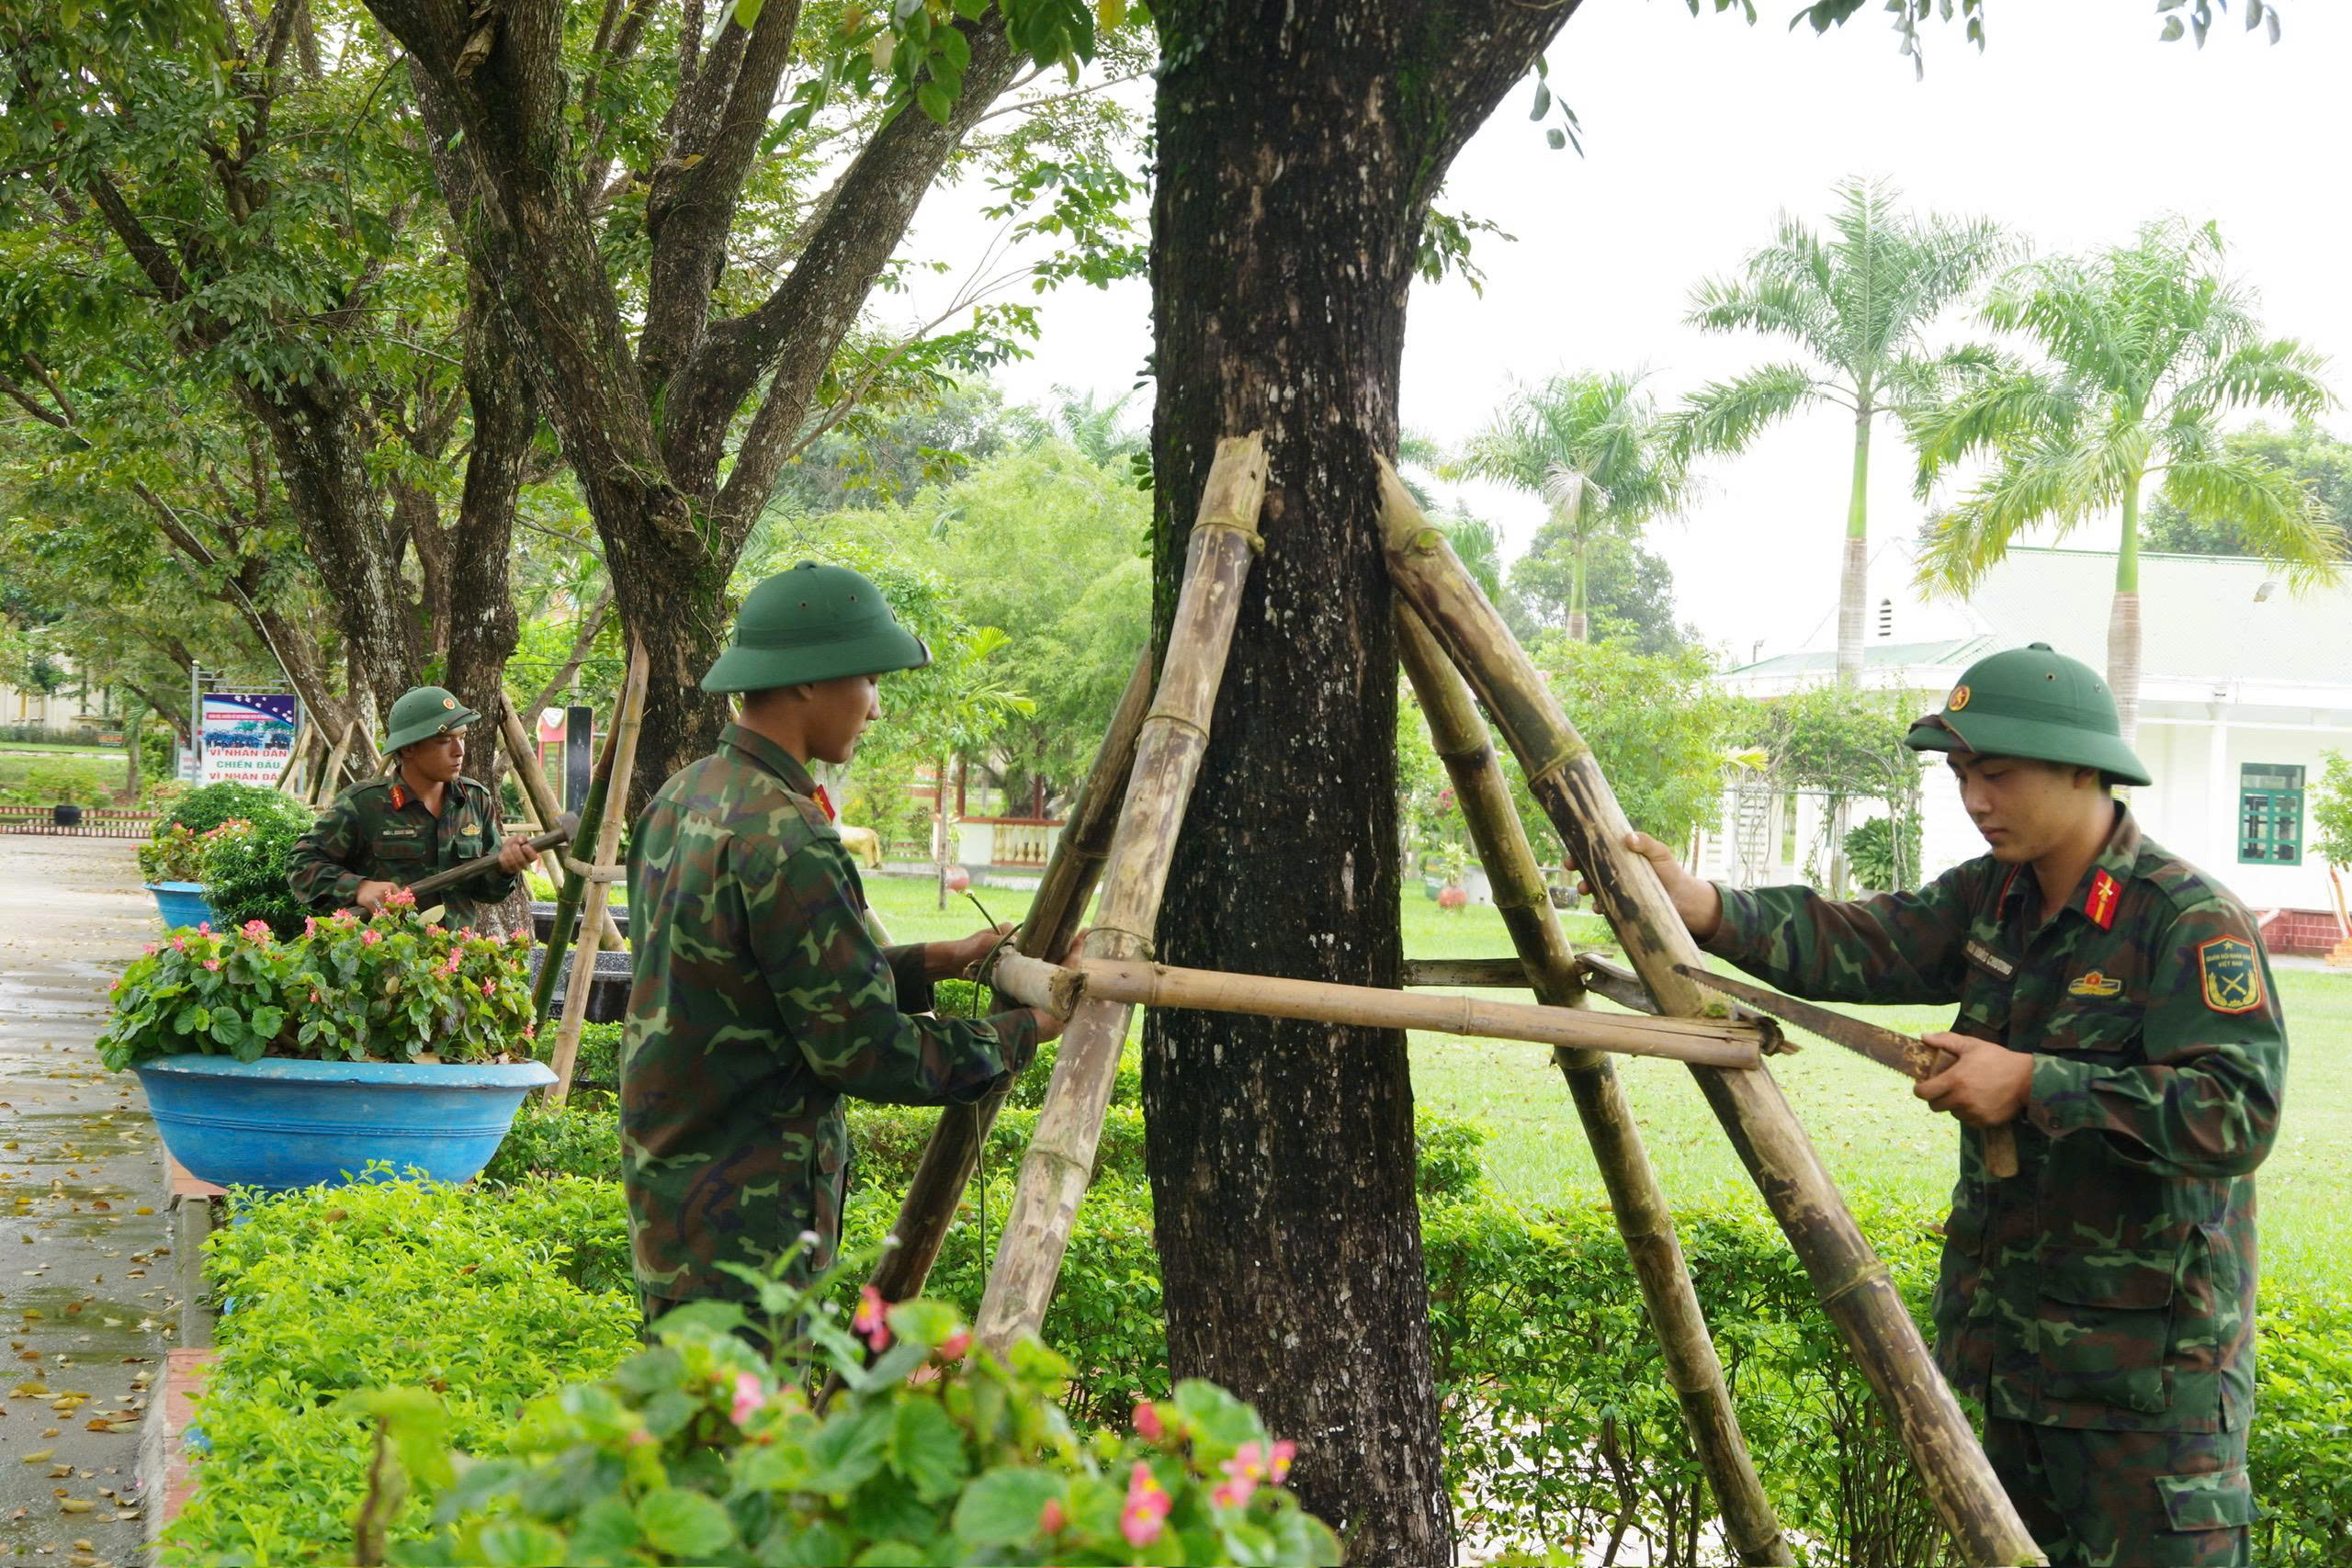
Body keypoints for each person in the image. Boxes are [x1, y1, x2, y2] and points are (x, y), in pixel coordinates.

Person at [1613, 643, 2282, 1566]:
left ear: (2081, 768)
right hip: (2012, 1373)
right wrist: (1705, 907)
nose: (1974, 798)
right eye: (1962, 774)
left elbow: (2238, 1112)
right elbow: (1859, 940)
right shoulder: (1992, 897)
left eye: (1996, 774)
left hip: (2148, 1402)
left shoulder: (2185, 920)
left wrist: (2033, 1082)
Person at [621, 561, 1069, 1328]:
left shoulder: (683, 797)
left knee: (688, 1407)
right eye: (869, 678)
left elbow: (755, 985)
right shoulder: (789, 836)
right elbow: (868, 1051)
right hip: (752, 1239)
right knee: (748, 1413)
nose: (876, 706)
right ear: (808, 678)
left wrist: (938, 959)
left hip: (676, 1211)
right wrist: (1026, 1029)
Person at [287, 685, 537, 931]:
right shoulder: (363, 804)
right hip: (386, 954)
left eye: (462, 737)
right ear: (409, 748)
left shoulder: (474, 800)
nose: (459, 751)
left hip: (455, 953)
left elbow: (488, 893)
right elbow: (301, 864)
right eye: (444, 741)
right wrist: (359, 888)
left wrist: (505, 869)